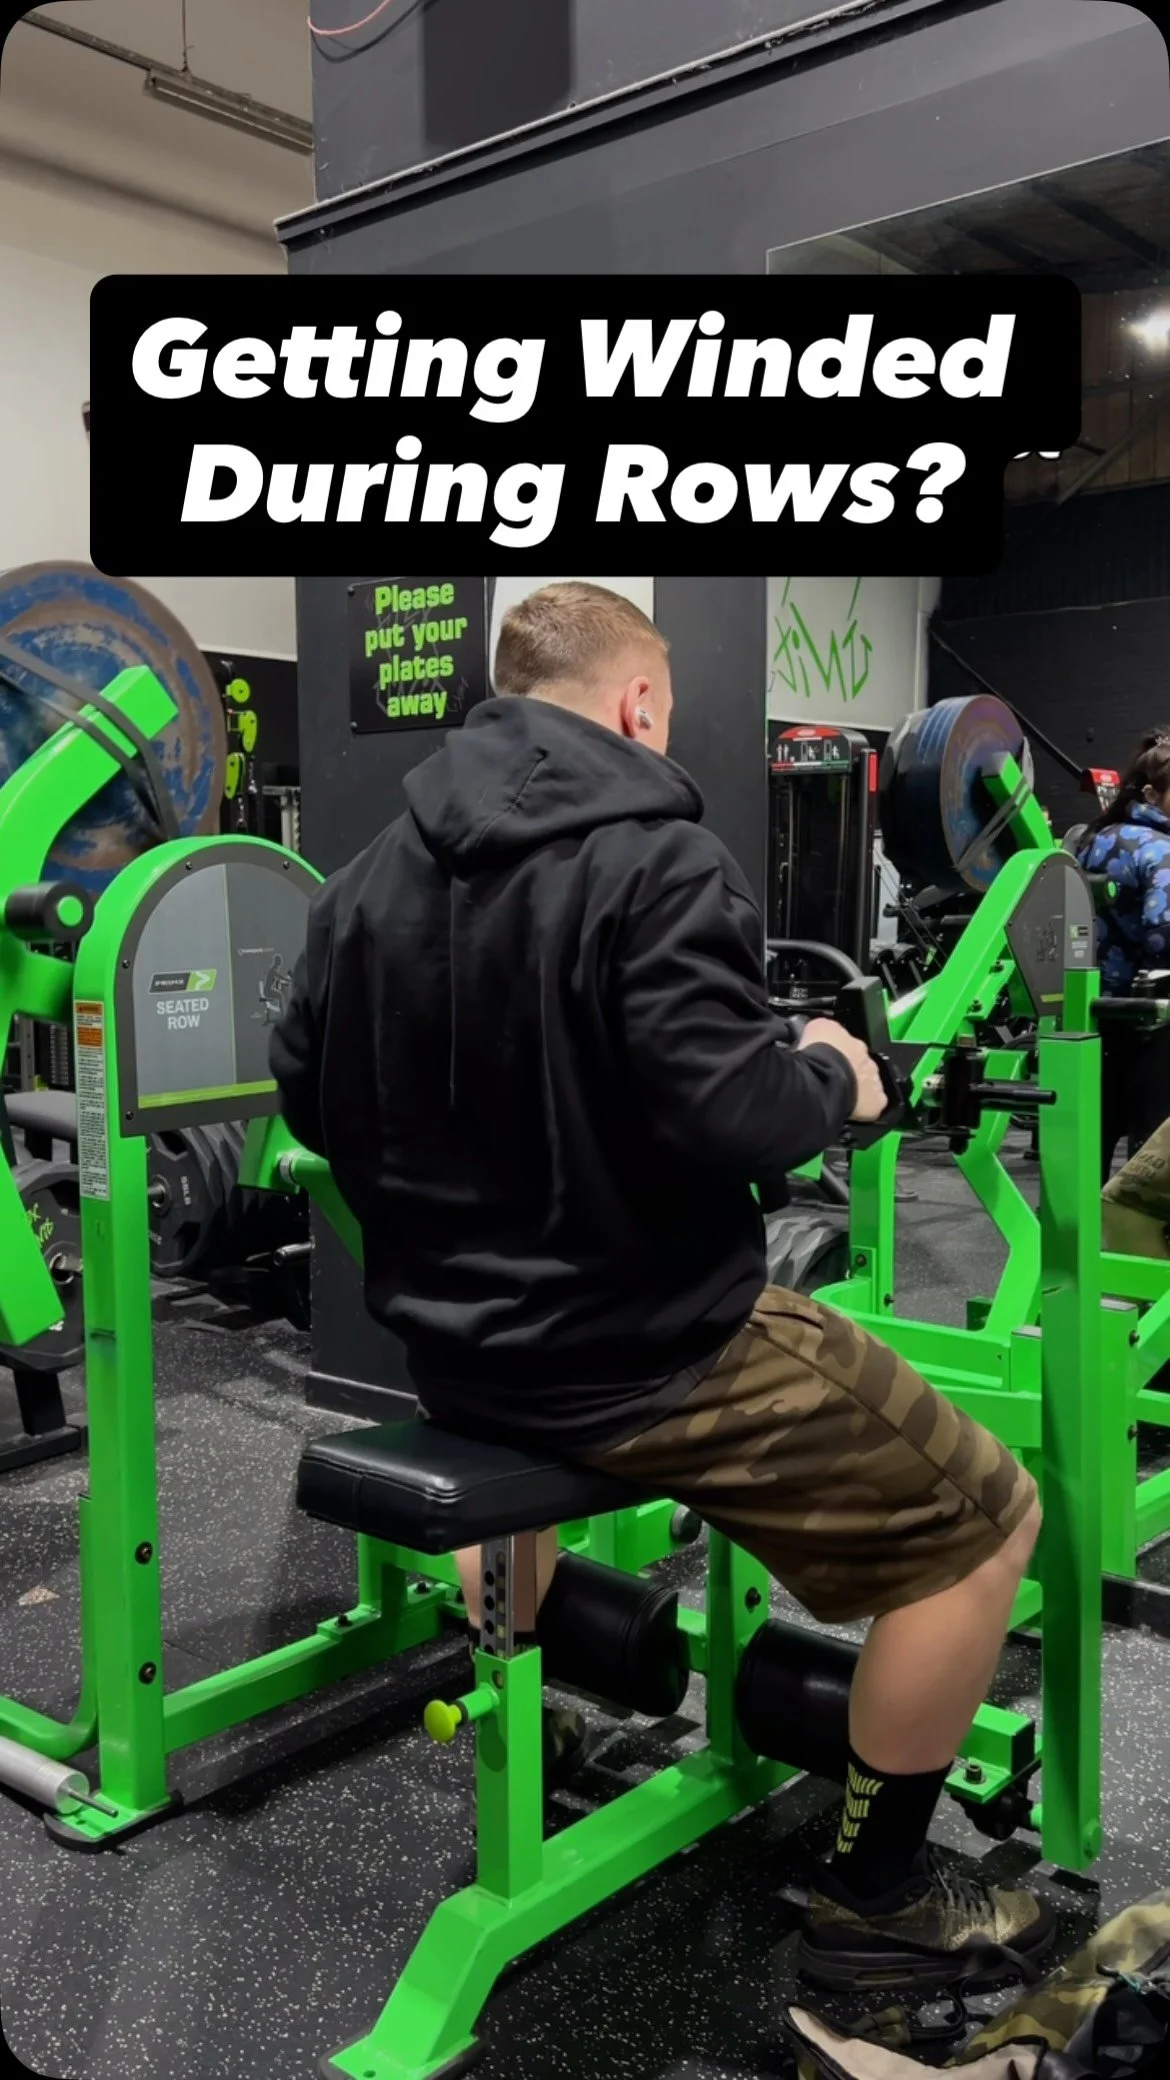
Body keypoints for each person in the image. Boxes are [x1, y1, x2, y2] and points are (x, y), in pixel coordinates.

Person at [271, 582, 1047, 1993]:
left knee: (525, 1468)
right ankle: (876, 1899)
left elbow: (314, 1103)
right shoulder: (659, 862)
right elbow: (735, 1122)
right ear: (638, 704)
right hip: (650, 1358)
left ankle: (542, 1701)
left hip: (454, 1352)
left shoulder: (365, 878)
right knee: (991, 1522)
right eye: (668, 708)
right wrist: (834, 1074)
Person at [1076, 732, 1170, 1177]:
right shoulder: (1160, 850)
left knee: (1091, 1135)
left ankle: (1071, 1221)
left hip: (1090, 1013)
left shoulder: (1093, 838)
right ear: (1151, 794)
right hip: (1147, 1023)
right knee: (1150, 1148)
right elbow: (1164, 936)